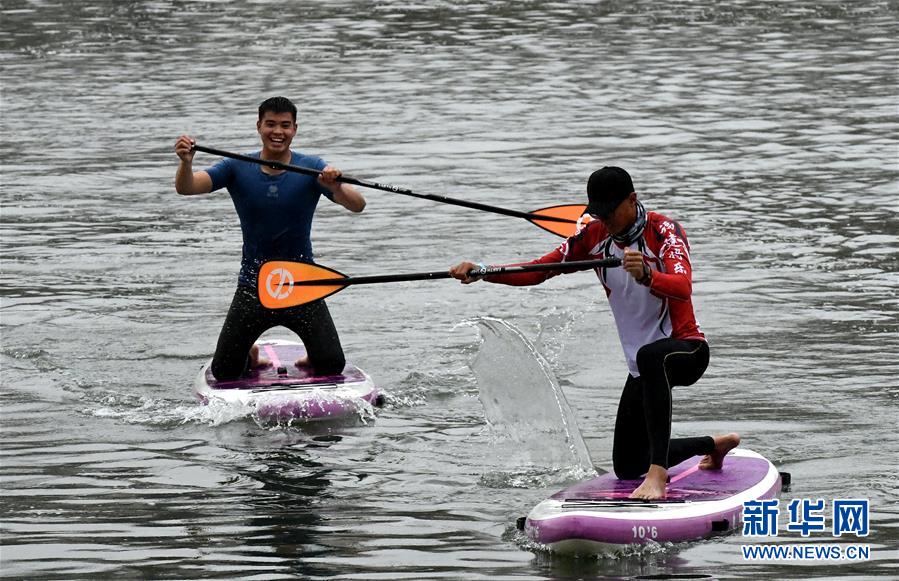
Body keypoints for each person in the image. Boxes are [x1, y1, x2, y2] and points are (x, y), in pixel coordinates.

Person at [449, 166, 739, 500]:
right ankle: (713, 445)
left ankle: (658, 476)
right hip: (642, 367)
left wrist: (647, 275)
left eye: (610, 212)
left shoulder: (664, 233)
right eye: (598, 213)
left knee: (651, 356)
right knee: (628, 463)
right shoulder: (594, 237)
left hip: (686, 350)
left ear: (632, 200)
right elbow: (540, 269)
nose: (605, 220)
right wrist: (485, 272)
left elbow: (683, 286)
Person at [174, 96, 366, 380]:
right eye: (271, 124)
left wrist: (336, 186)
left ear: (295, 129)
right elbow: (187, 187)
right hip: (254, 285)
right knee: (225, 372)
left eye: (285, 125)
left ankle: (312, 353)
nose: (278, 131)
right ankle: (251, 352)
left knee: (331, 365)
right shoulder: (236, 166)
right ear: (259, 126)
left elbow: (358, 205)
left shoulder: (312, 168)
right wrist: (186, 163)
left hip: (302, 283)